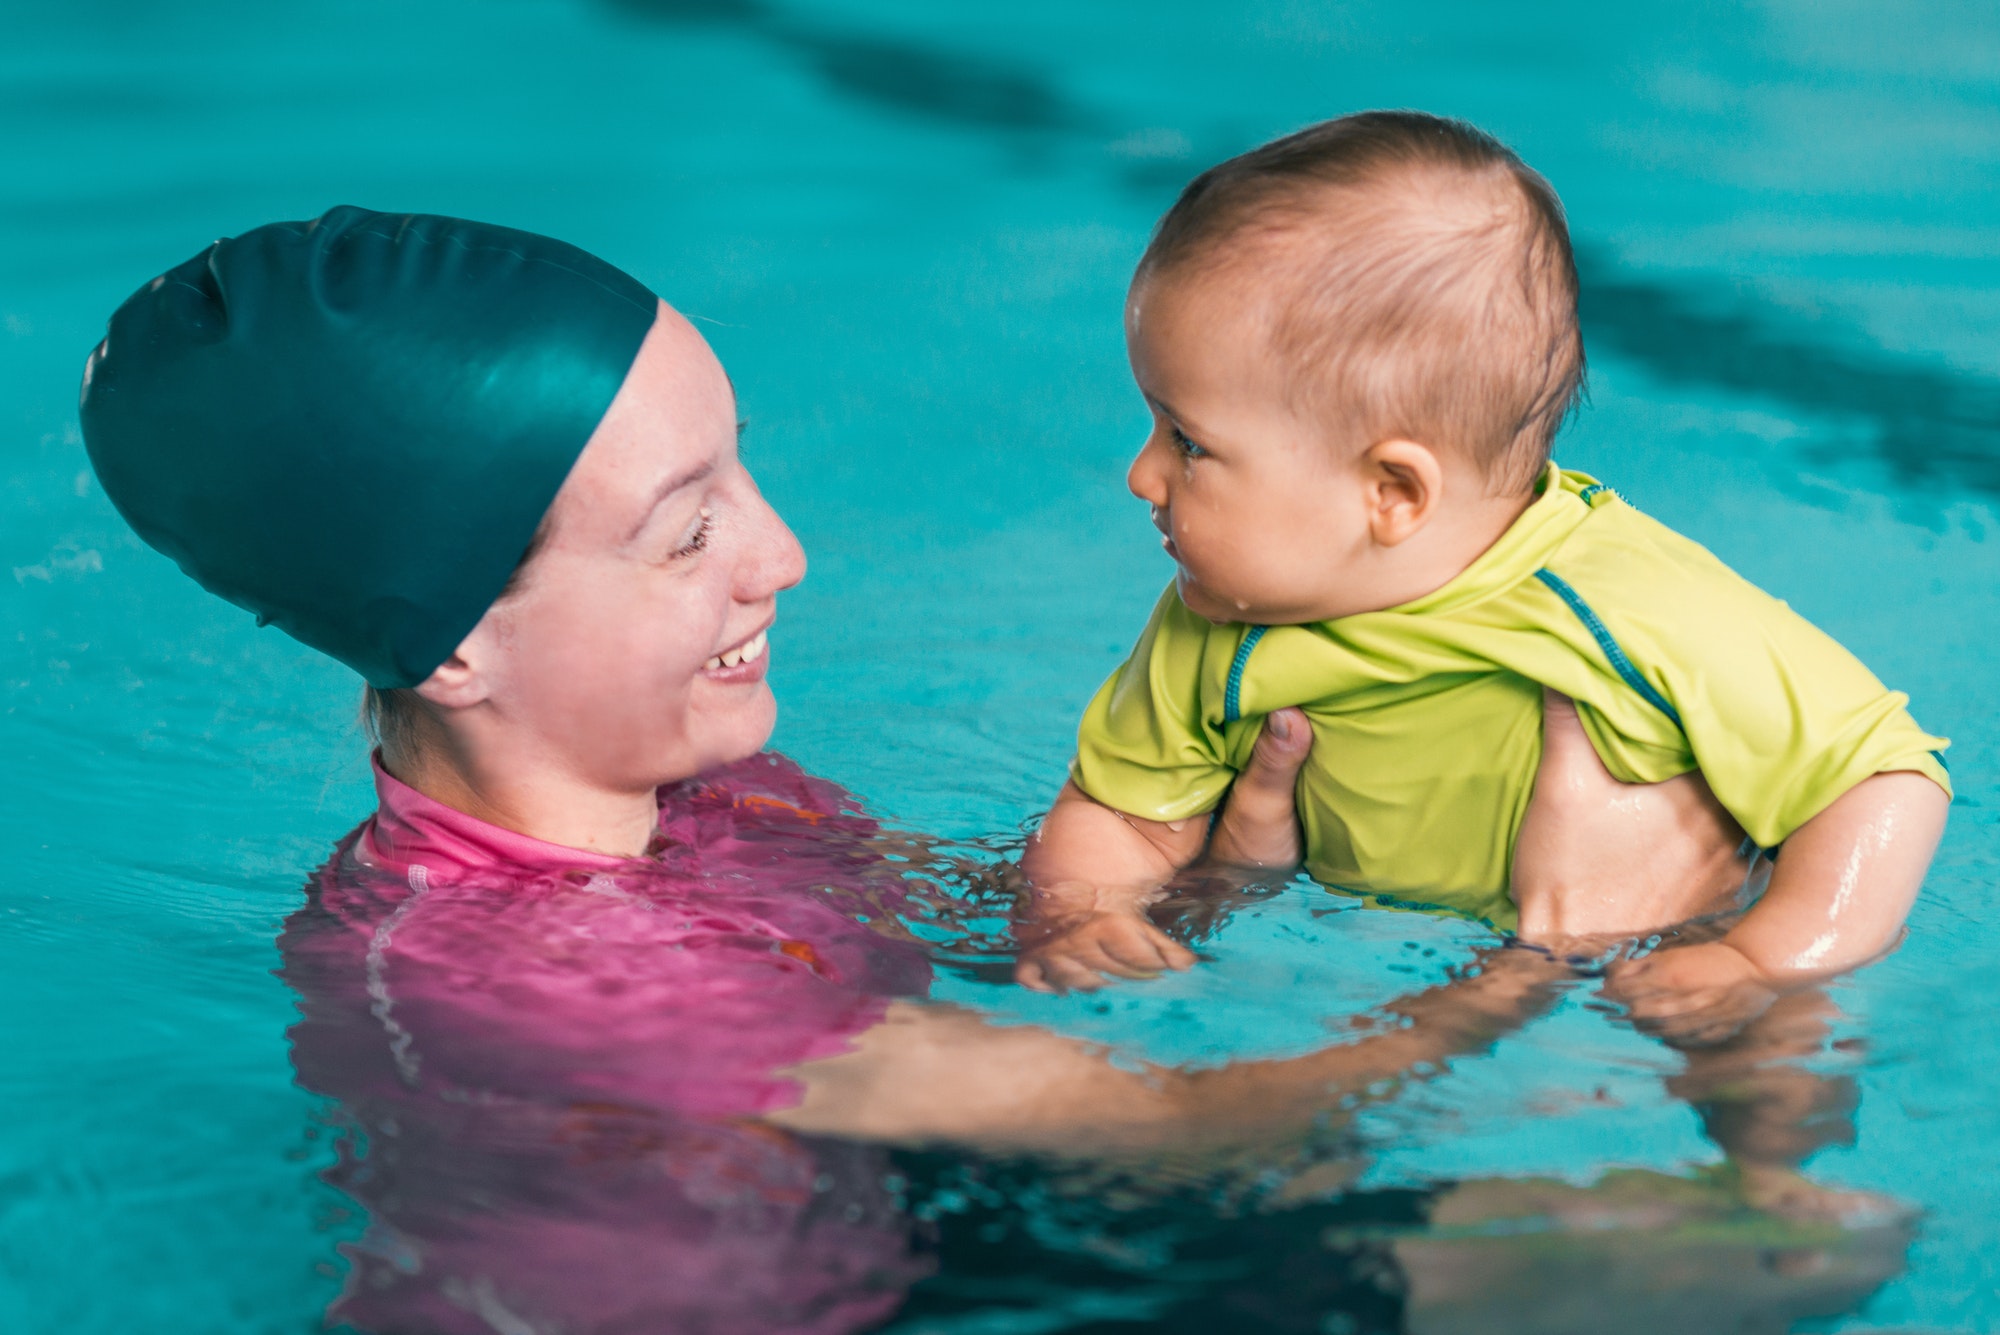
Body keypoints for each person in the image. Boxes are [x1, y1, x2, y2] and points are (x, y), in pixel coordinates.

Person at [77, 206, 1762, 1328]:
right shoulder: (543, 976)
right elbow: (1174, 1131)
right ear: (449, 639)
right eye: (687, 537)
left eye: (741, 473)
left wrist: (1233, 869)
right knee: (1715, 1273)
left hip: (870, 1213)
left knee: (1727, 1264)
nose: (786, 555)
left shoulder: (696, 793)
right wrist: (1555, 955)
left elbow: (973, 944)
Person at [1019, 111, 1952, 1049]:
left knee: (1766, 1063)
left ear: (1391, 491)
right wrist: (1083, 913)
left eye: (1187, 442)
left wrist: (1764, 957)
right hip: (1401, 981)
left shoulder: (1630, 609)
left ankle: (1777, 1180)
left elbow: (1883, 779)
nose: (1141, 475)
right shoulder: (1216, 631)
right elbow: (1124, 819)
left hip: (1686, 941)